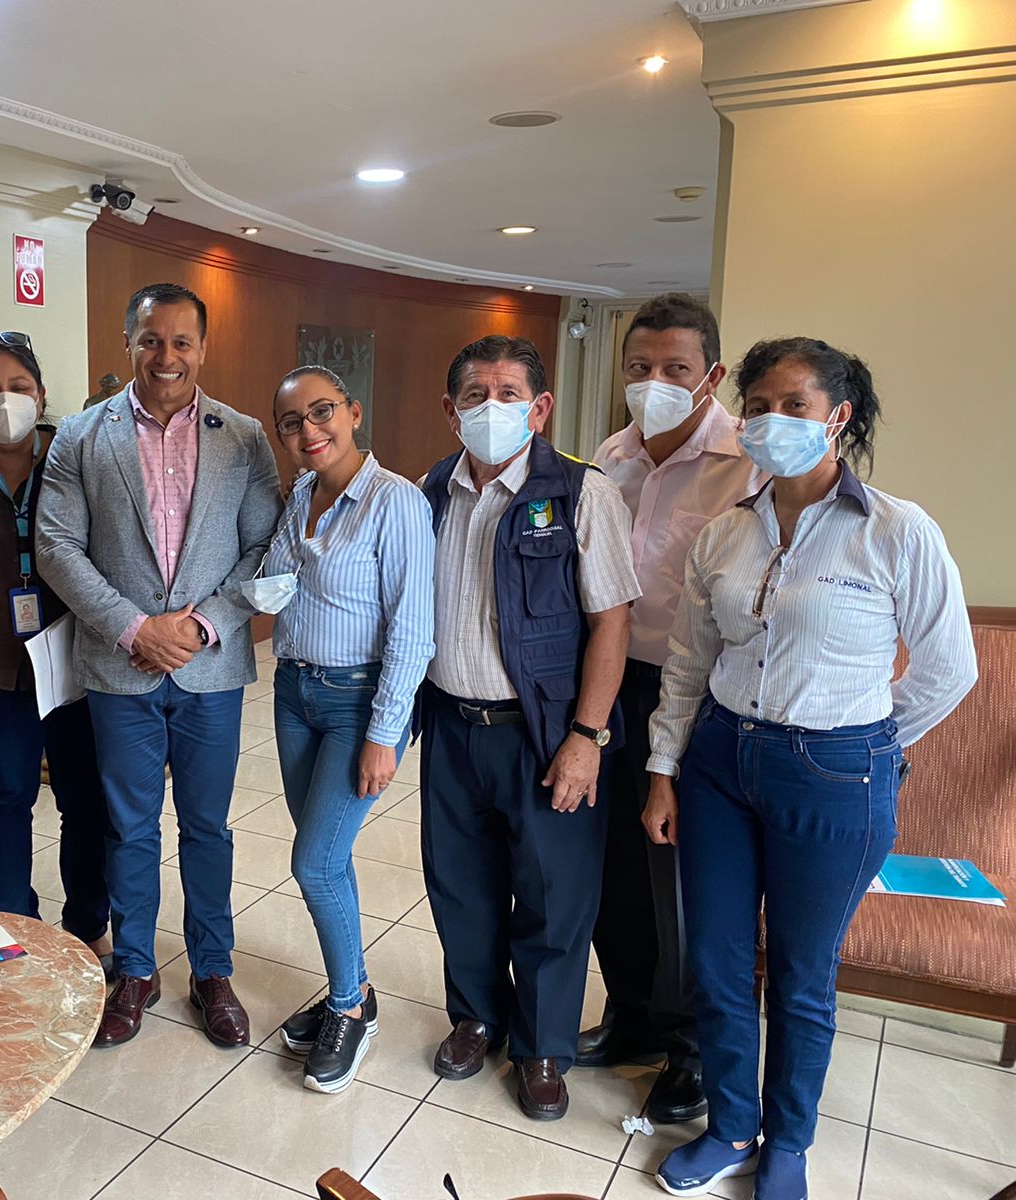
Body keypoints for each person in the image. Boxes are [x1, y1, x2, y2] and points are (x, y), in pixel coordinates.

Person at [644, 339, 975, 1200]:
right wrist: (663, 768)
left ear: (839, 417)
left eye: (795, 404)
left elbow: (950, 667)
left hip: (835, 776)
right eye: (758, 405)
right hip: (720, 765)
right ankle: (730, 1125)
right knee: (716, 963)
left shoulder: (896, 530)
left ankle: (788, 1141)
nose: (772, 421)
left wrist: (869, 742)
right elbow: (688, 662)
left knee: (800, 974)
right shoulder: (725, 533)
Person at [37, 282, 281, 1049]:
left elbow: (265, 549)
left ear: (202, 349)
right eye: (151, 340)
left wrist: (202, 625)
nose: (166, 355)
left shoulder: (243, 437)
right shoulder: (82, 436)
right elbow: (56, 546)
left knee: (207, 827)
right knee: (130, 828)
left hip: (212, 671)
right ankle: (136, 970)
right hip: (121, 670)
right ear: (129, 343)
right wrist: (135, 627)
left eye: (181, 341)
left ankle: (213, 970)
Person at [418, 334, 639, 1121]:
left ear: (539, 408)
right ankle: (476, 1017)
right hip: (451, 725)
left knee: (553, 895)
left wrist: (588, 737)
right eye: (474, 395)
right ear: (451, 411)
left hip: (544, 735)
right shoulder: (432, 490)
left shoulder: (582, 493)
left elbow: (612, 622)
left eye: (509, 393)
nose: (491, 407)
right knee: (460, 886)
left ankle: (544, 1047)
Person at [579, 294, 765, 1124]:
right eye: (639, 367)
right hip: (609, 681)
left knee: (685, 881)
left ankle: (692, 1048)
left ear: (711, 375)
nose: (653, 381)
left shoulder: (748, 462)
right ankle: (633, 1017)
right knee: (612, 867)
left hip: (698, 692)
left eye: (674, 368)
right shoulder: (609, 456)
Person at [249, 366, 433, 1093]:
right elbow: (275, 585)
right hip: (293, 691)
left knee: (315, 863)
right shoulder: (299, 495)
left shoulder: (396, 502)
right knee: (328, 854)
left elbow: (412, 631)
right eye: (291, 422)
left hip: (356, 702)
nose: (308, 430)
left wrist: (386, 733)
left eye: (322, 412)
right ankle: (351, 986)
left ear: (354, 412)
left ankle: (351, 1008)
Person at [0, 331, 111, 969]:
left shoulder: (75, 451)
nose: (3, 400)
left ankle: (88, 924)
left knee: (83, 798)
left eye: (18, 386)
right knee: (6, 794)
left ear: (40, 394)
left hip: (75, 658)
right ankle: (14, 923)